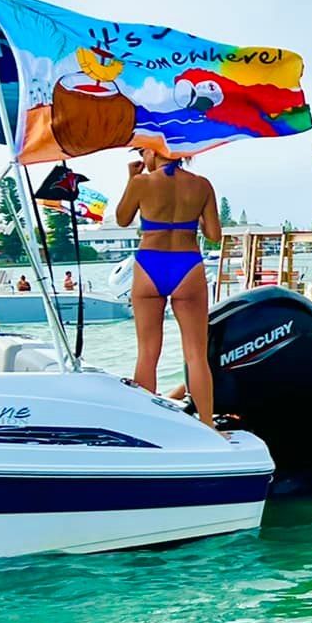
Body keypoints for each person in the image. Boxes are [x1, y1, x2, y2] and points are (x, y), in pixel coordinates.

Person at [116, 150, 223, 424]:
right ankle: (208, 425)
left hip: (150, 263)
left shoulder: (142, 182)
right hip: (187, 264)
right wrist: (192, 215)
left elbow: (122, 218)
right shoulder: (201, 184)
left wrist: (132, 178)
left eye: (143, 151)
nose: (143, 156)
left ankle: (146, 424)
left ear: (154, 150)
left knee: (148, 352)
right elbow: (213, 235)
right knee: (196, 355)